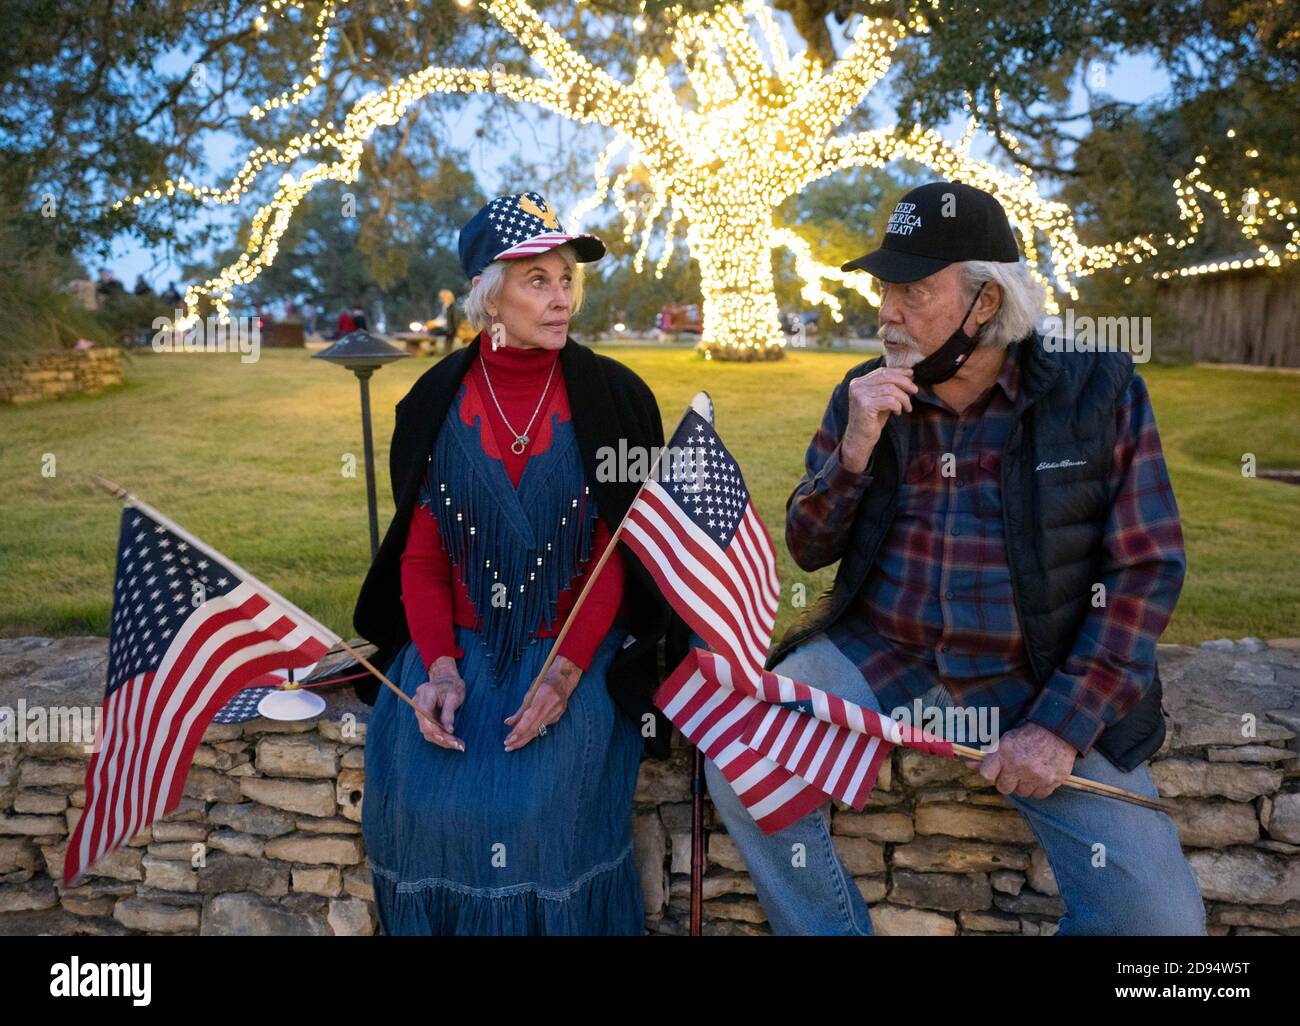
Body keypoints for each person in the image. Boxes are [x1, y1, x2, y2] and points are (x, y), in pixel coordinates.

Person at [704, 181, 1205, 936]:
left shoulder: (1096, 390)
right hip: (884, 655)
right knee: (740, 755)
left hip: (1035, 673)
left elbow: (1145, 569)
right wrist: (853, 451)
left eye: (911, 291)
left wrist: (1062, 729)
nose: (886, 313)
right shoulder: (864, 393)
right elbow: (807, 548)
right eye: (884, 289)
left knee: (1160, 926)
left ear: (985, 303)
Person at [352, 191, 679, 935]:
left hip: (579, 649)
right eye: (539, 281)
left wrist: (565, 674)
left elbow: (619, 558)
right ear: (489, 297)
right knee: (425, 804)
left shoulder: (616, 399)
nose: (562, 298)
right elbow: (423, 559)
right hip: (460, 648)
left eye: (567, 278)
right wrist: (437, 668)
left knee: (538, 811)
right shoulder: (432, 403)